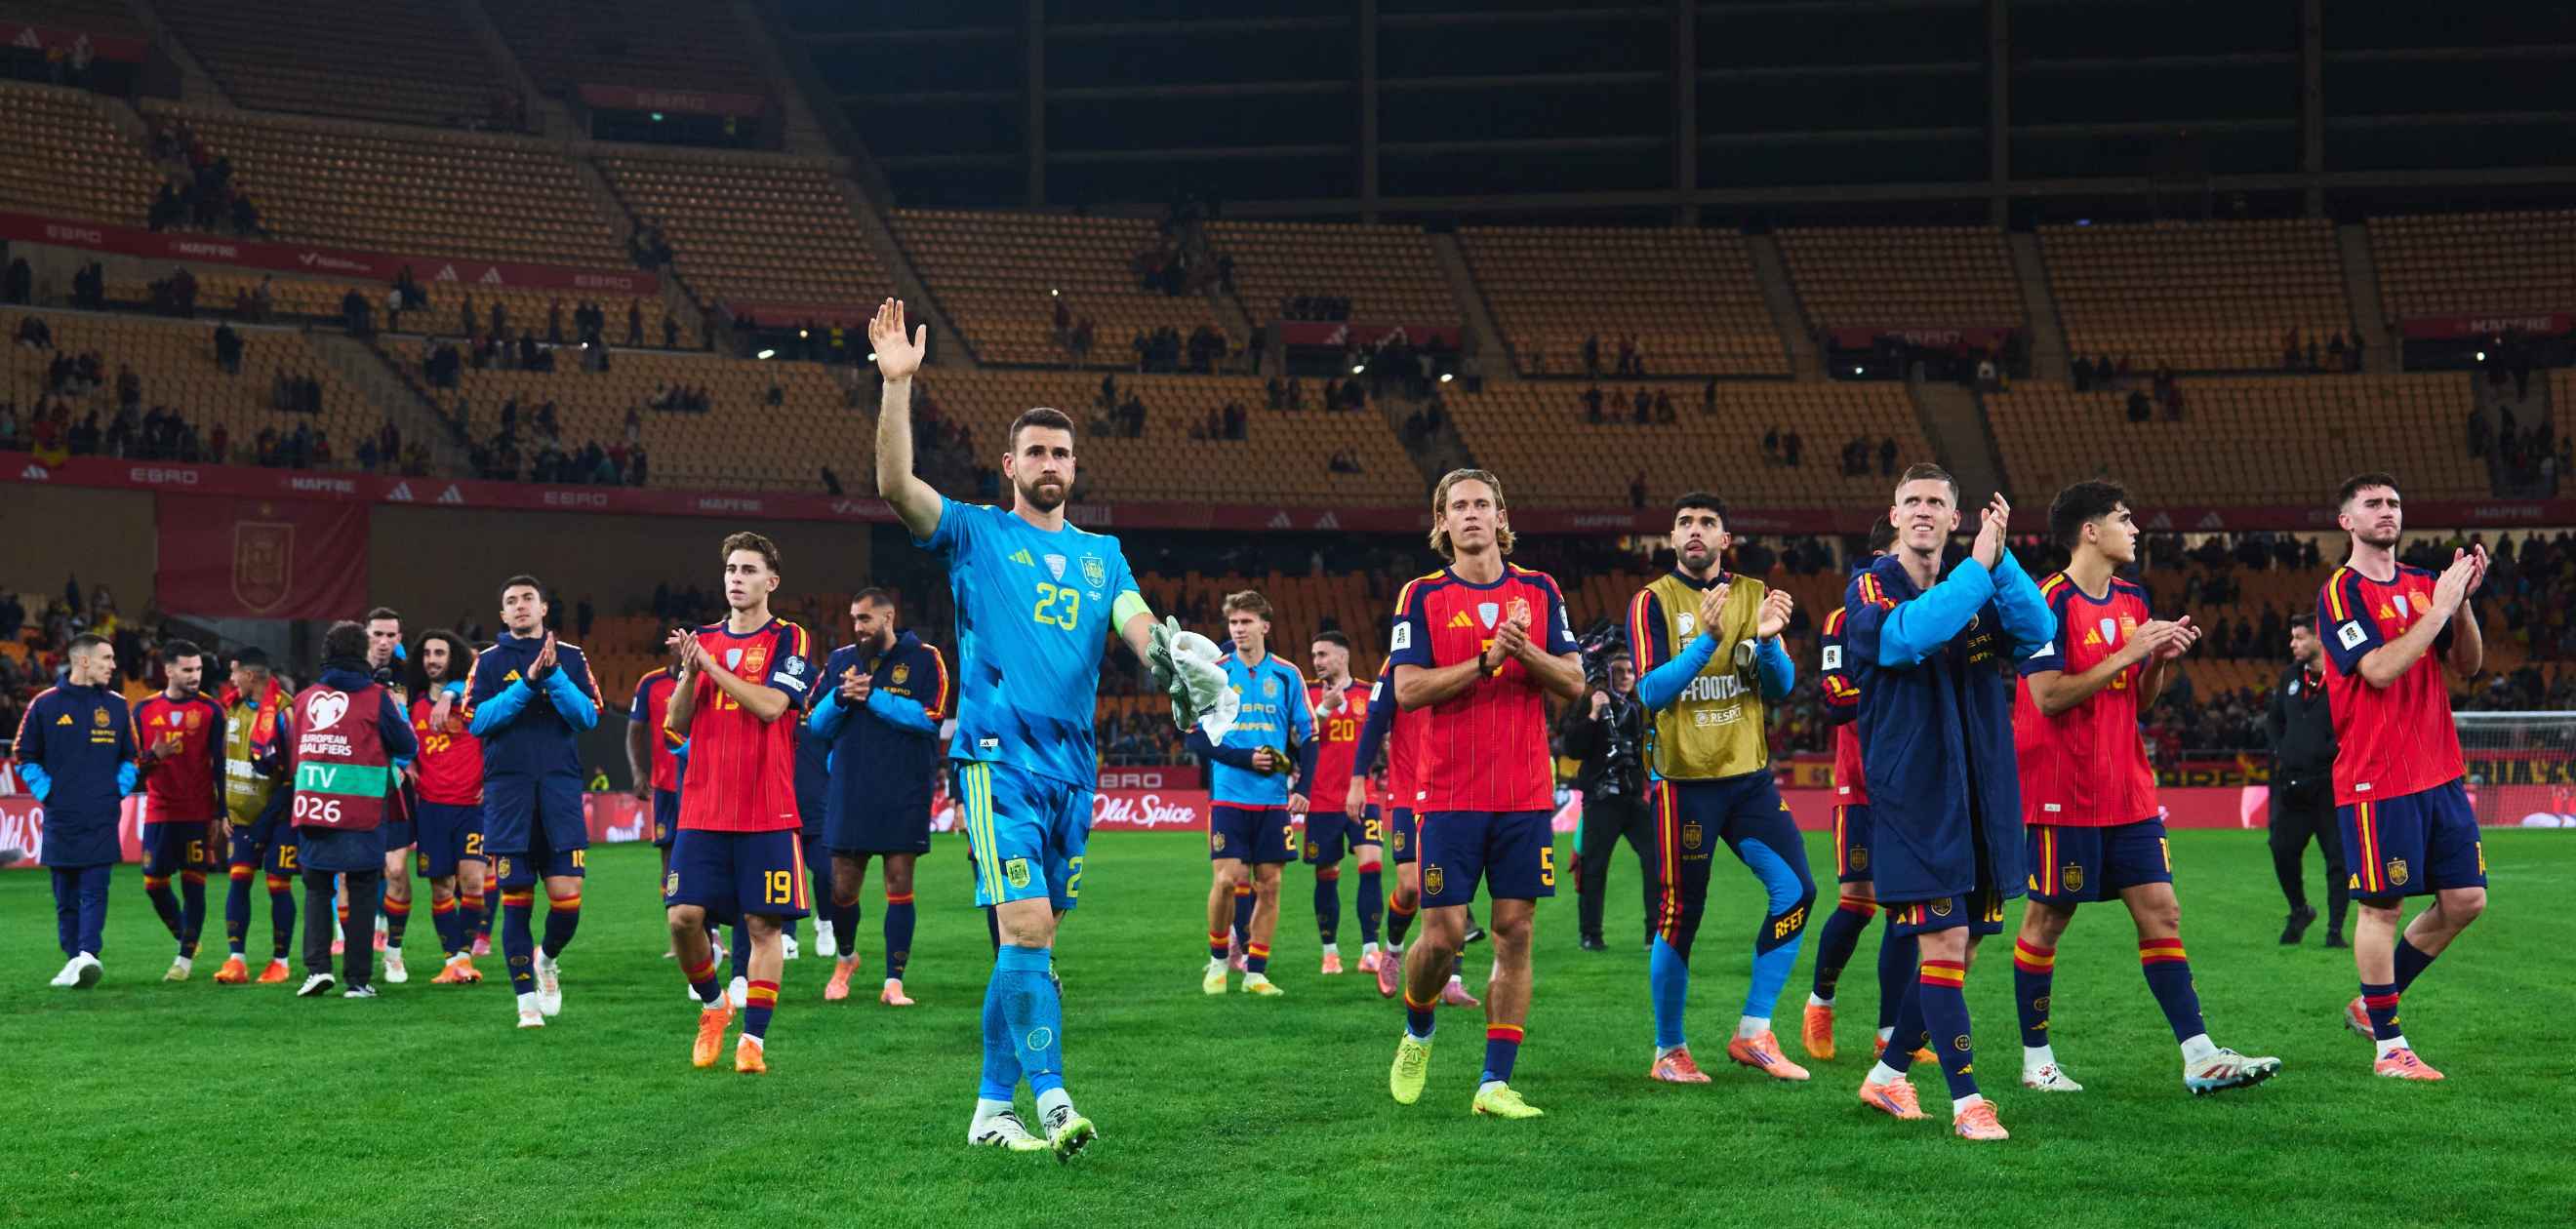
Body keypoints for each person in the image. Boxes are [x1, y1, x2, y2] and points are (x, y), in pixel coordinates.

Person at [872, 297, 1181, 1158]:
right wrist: (898, 387)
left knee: (1030, 951)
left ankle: (987, 1111)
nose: (1051, 463)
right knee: (1027, 931)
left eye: (1063, 453)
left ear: (1076, 466)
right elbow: (897, 487)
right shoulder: (975, 533)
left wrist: (1170, 656)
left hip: (1071, 775)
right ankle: (1052, 1102)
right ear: (1010, 463)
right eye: (1036, 451)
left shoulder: (1102, 555)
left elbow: (1133, 621)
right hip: (993, 763)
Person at [2010, 481, 2281, 1097]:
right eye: (2124, 519)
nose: (2135, 530)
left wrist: (2157, 661)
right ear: (2089, 531)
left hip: (2126, 786)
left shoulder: (2132, 597)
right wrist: (2130, 649)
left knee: (2162, 913)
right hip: (2061, 790)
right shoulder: (2043, 601)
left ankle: (2199, 1055)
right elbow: (2047, 696)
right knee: (2048, 919)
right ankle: (2036, 1061)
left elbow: (2137, 699)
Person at [1843, 465, 2051, 1141]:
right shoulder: (1869, 587)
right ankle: (1968, 1103)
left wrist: (2003, 557)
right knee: (1945, 940)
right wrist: (1977, 572)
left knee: (1963, 948)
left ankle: (1886, 1074)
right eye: (1913, 502)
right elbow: (1909, 637)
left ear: (1956, 519)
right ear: (1895, 515)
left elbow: (2038, 626)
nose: (1924, 511)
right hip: (1914, 797)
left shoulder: (1979, 578)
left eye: (1937, 502)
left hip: (1983, 792)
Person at [1385, 468, 1585, 1120]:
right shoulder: (1421, 596)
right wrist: (1485, 661)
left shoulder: (1541, 589)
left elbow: (1574, 682)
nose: (1472, 515)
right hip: (1447, 793)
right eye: (1458, 506)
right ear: (1441, 523)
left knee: (1514, 932)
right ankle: (1418, 1029)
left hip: (1526, 793)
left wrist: (1522, 652)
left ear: (1502, 516)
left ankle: (1493, 1084)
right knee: (1441, 938)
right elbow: (1407, 690)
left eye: (1483, 504)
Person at [1627, 493, 1809, 1084]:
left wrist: (1774, 640)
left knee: (1798, 893)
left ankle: (1754, 1033)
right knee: (1682, 916)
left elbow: (1779, 687)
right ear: (1672, 539)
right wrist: (1706, 639)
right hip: (1687, 784)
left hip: (1749, 780)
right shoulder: (1652, 602)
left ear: (1725, 539)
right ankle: (1669, 1051)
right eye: (1685, 523)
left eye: (1707, 523)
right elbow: (1651, 693)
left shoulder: (1755, 594)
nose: (1695, 531)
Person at [2317, 474, 2488, 1081]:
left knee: (2466, 899)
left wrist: (2461, 600)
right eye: (2372, 504)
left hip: (2438, 769)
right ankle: (2391, 1048)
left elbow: (2468, 666)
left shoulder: (2425, 584)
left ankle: (2371, 1006)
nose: (2386, 512)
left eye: (2393, 503)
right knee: (2381, 908)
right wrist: (2439, 607)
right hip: (2377, 776)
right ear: (2347, 521)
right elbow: (2381, 669)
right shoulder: (2341, 592)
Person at [662, 532, 816, 1075]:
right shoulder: (702, 642)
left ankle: (753, 1040)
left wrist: (710, 666)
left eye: (749, 570)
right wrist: (688, 673)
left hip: (766, 808)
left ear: (771, 582)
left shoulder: (790, 639)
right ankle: (713, 1006)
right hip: (703, 807)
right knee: (682, 918)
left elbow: (773, 706)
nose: (736, 577)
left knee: (762, 927)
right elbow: (676, 727)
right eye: (731, 568)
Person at [1800, 518, 1924, 1065]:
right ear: (1882, 553)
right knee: (1858, 904)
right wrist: (1901, 685)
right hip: (1861, 782)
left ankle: (1888, 1032)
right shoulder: (1842, 618)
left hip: (1914, 784)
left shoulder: (1927, 607)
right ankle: (1819, 1003)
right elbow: (1835, 696)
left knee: (1905, 914)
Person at [466, 575, 602, 1029]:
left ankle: (546, 959)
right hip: (509, 798)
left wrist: (555, 676)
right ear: (502, 615)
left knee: (567, 901)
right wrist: (526, 684)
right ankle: (526, 1002)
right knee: (517, 901)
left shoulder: (573, 658)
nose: (520, 606)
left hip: (560, 796)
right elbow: (478, 720)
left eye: (528, 599)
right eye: (511, 601)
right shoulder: (486, 663)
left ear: (544, 608)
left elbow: (587, 717)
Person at [809, 588, 950, 1006]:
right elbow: (815, 724)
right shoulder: (839, 663)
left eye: (865, 619)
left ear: (889, 617)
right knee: (842, 887)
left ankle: (894, 981)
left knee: (900, 882)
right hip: (850, 789)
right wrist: (840, 697)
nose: (858, 627)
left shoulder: (925, 658)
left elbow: (930, 719)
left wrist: (873, 697)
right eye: (854, 619)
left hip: (903, 790)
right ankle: (847, 957)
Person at [285, 621, 418, 998]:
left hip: (315, 803)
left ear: (325, 654)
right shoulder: (377, 698)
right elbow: (408, 743)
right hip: (362, 806)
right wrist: (389, 769)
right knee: (361, 890)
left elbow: (294, 752)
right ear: (362, 655)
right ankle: (357, 981)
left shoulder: (306, 698)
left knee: (316, 886)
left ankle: (316, 970)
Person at [1192, 590, 1313, 998]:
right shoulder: (1215, 672)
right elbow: (1198, 740)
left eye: (1246, 622)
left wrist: (1305, 788)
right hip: (1228, 793)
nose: (1239, 630)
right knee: (1227, 881)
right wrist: (1246, 758)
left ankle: (1256, 972)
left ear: (1265, 625)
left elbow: (1309, 735)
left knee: (1271, 884)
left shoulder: (1286, 674)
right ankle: (1218, 962)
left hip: (1273, 799)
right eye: (1233, 623)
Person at [1355, 654, 1477, 1008]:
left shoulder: (1467, 653)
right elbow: (1376, 719)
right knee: (1410, 885)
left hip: (1454, 788)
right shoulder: (1399, 661)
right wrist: (1357, 780)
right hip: (1409, 787)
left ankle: (1452, 979)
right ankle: (1392, 950)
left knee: (1454, 888)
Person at [16, 634, 138, 988]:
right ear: (83, 661)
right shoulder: (45, 704)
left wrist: (116, 790)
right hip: (61, 817)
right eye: (107, 658)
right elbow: (24, 753)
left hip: (101, 816)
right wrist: (48, 792)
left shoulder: (116, 705)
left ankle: (88, 953)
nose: (113, 666)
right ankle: (74, 960)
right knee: (65, 898)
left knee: (95, 890)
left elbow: (131, 755)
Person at [133, 639, 225, 981]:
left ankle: (184, 959)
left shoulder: (211, 710)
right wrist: (154, 756)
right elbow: (133, 765)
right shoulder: (143, 710)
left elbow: (220, 765)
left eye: (198, 669)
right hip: (159, 808)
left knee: (194, 885)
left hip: (198, 811)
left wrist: (221, 813)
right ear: (168, 670)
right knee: (153, 882)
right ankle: (186, 934)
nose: (195, 675)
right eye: (187, 670)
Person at [213, 649, 300, 985]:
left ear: (250, 676)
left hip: (278, 817)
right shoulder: (231, 708)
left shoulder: (284, 711)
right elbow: (222, 762)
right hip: (241, 818)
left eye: (234, 673)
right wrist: (223, 810)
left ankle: (280, 962)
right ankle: (237, 960)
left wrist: (267, 820)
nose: (231, 680)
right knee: (238, 881)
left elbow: (294, 774)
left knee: (278, 885)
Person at [1557, 649, 1651, 952]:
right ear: (1607, 674)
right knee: (1594, 868)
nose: (1626, 676)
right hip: (1601, 800)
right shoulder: (1590, 702)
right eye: (1619, 671)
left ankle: (1655, 935)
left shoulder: (1639, 706)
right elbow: (1572, 747)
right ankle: (1591, 935)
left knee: (1657, 861)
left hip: (1633, 799)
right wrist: (1594, 714)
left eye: (1630, 671)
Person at [408, 630, 488, 984]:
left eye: (439, 653)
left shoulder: (474, 701)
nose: (432, 660)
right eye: (427, 654)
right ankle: (453, 960)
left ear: (452, 657)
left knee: (472, 883)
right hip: (432, 808)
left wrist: (493, 779)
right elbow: (402, 743)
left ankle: (465, 957)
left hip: (472, 805)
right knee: (441, 887)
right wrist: (404, 762)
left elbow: (496, 740)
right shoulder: (415, 705)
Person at [1303, 630, 1383, 974]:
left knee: (1372, 868)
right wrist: (1324, 708)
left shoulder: (1368, 693)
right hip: (1321, 799)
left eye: (1323, 654)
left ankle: (1370, 950)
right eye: (1315, 655)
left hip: (1365, 796)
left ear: (1342, 657)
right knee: (1327, 876)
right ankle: (1330, 952)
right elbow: (1298, 739)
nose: (1317, 661)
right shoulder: (1306, 694)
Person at [2265, 614, 2347, 947]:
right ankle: (2299, 909)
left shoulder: (2344, 677)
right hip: (2293, 785)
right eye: (2293, 637)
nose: (2293, 644)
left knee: (2338, 859)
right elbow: (2274, 720)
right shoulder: (2290, 677)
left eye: (2299, 637)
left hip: (2330, 785)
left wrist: (2331, 752)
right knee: (2281, 848)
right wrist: (2280, 749)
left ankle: (2335, 930)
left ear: (2318, 638)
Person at [361, 608, 419, 980]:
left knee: (396, 870)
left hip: (394, 784)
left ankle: (394, 952)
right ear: (365, 634)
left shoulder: (409, 674)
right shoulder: (346, 673)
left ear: (400, 638)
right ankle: (354, 950)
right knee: (354, 874)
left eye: (391, 635)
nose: (384, 642)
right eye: (377, 634)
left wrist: (449, 691)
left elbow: (461, 674)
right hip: (356, 784)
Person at [626, 644, 688, 955]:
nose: (679, 646)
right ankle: (677, 938)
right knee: (669, 859)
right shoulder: (650, 683)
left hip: (700, 783)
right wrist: (638, 773)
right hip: (665, 786)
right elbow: (635, 730)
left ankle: (711, 934)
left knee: (707, 858)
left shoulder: (712, 677)